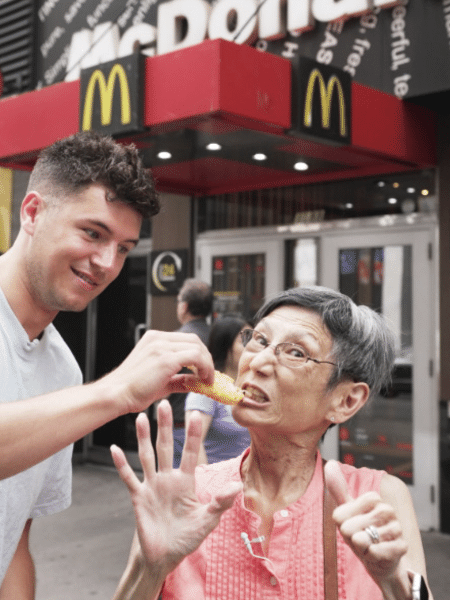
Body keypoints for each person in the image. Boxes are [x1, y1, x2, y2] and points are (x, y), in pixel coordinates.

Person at [112, 286, 433, 600]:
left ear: (346, 400)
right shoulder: (188, 498)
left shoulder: (377, 500)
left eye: (296, 352)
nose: (258, 362)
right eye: (259, 340)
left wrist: (392, 583)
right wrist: (149, 568)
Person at [0, 131, 216, 599]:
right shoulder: (86, 391)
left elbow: (13, 537)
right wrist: (115, 391)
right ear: (32, 212)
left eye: (123, 247)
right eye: (92, 233)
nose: (105, 262)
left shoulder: (62, 371)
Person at [185, 315, 251, 464]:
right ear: (225, 345)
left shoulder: (251, 386)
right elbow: (194, 445)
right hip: (218, 482)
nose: (252, 347)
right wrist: (210, 484)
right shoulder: (206, 389)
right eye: (244, 341)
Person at [169, 278, 213, 465]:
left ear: (184, 307)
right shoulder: (219, 337)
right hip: (215, 427)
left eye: (179, 301)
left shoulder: (177, 340)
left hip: (182, 426)